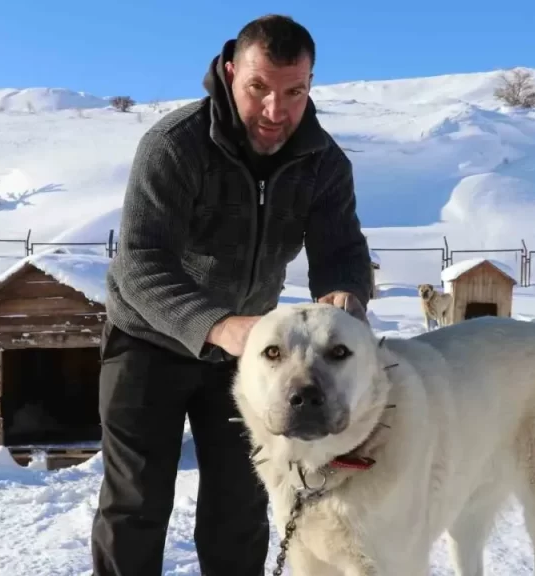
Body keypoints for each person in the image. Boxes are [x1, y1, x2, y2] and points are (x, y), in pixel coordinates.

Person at [90, 14, 373, 576]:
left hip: (248, 356)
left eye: (295, 92)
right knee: (137, 502)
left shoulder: (323, 163)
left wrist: (344, 294)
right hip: (147, 341)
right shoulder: (175, 146)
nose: (276, 111)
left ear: (310, 84)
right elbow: (141, 262)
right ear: (228, 72)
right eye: (258, 88)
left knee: (240, 505)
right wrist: (219, 325)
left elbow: (340, 249)